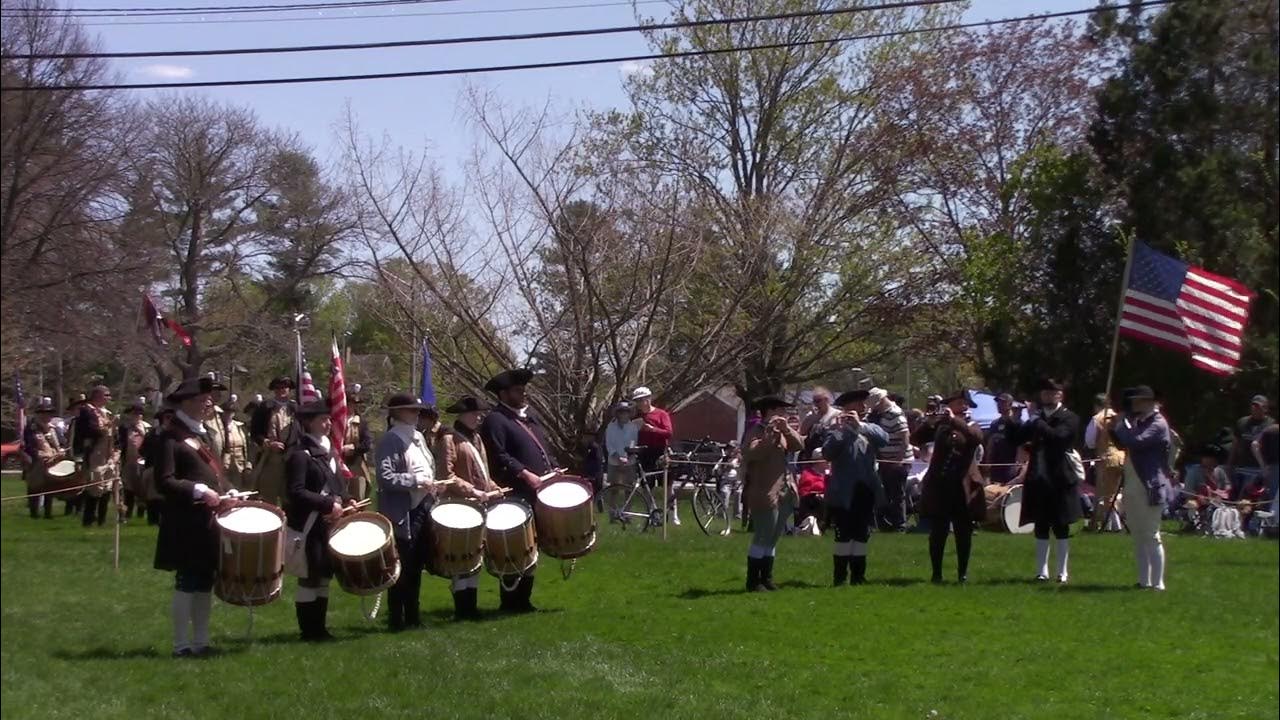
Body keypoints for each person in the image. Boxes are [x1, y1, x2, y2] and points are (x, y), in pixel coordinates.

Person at [152, 377, 233, 657]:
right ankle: (180, 644)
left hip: (206, 521)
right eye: (201, 399)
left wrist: (227, 490)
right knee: (187, 581)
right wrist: (198, 491)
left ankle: (200, 641)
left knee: (204, 582)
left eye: (209, 399)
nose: (207, 403)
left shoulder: (202, 434)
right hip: (185, 520)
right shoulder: (169, 436)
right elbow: (164, 481)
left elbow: (212, 473)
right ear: (185, 403)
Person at [480, 368, 553, 612]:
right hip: (513, 493)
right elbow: (499, 455)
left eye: (523, 390)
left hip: (534, 492)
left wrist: (551, 469)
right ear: (503, 393)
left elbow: (542, 448)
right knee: (513, 547)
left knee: (531, 545)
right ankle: (510, 601)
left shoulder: (527, 418)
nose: (523, 394)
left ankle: (524, 600)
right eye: (517, 390)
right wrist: (525, 473)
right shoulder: (495, 420)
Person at [285, 399, 354, 642]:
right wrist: (326, 504)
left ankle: (320, 628)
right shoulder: (300, 455)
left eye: (328, 419)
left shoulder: (328, 451)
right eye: (322, 420)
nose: (328, 423)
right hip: (310, 523)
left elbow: (337, 483)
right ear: (308, 423)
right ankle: (308, 630)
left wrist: (347, 500)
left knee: (324, 574)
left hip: (328, 523)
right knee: (310, 577)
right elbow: (296, 491)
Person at [435, 396, 501, 620]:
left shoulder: (477, 439)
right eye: (474, 413)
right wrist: (473, 491)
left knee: (476, 555)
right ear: (462, 415)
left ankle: (471, 607)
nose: (479, 416)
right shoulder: (448, 439)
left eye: (480, 413)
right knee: (462, 557)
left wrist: (493, 487)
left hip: (478, 503)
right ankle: (462, 609)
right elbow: (447, 476)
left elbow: (483, 472)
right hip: (459, 505)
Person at [376, 393, 438, 631]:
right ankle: (396, 618)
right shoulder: (391, 439)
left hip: (422, 505)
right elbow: (386, 477)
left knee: (416, 563)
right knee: (402, 565)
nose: (416, 414)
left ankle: (413, 615)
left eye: (416, 410)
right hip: (404, 510)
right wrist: (415, 480)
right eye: (411, 410)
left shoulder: (418, 437)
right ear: (398, 413)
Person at [1009, 378, 1081, 583]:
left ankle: (1062, 571)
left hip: (1060, 478)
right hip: (1038, 478)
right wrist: (1015, 420)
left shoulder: (1069, 417)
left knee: (1061, 527)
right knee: (1040, 526)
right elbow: (1016, 439)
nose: (1047, 396)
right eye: (1044, 393)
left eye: (1052, 393)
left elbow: (1059, 439)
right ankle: (1042, 571)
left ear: (1060, 395)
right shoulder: (1036, 418)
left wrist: (1038, 422)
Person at [822, 391, 888, 585]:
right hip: (844, 491)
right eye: (859, 404)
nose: (864, 407)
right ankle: (840, 576)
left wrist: (861, 426)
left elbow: (884, 438)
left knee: (861, 533)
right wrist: (843, 430)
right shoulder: (836, 430)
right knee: (844, 533)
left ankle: (858, 576)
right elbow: (827, 453)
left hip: (866, 488)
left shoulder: (869, 427)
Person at [1110, 386, 1172, 590]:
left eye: (1139, 401)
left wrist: (1121, 424)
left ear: (1151, 402)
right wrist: (1114, 427)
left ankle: (1158, 582)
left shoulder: (1158, 423)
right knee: (1137, 533)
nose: (1135, 405)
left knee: (1151, 533)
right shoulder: (1138, 422)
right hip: (1133, 481)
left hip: (1150, 484)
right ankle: (1144, 580)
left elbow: (1136, 441)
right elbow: (1122, 443)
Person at [919, 391, 985, 584]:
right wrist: (929, 423)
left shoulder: (971, 425)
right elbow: (917, 439)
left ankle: (962, 573)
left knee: (963, 532)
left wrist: (954, 421)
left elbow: (975, 438)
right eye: (958, 403)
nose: (961, 406)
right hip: (941, 485)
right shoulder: (941, 426)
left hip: (962, 487)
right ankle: (936, 573)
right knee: (938, 533)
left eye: (963, 404)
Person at [741, 396, 804, 591]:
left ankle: (767, 577)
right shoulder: (756, 431)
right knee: (763, 534)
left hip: (784, 489)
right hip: (764, 490)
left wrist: (786, 429)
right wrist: (768, 438)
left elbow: (798, 445)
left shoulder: (783, 431)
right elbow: (751, 453)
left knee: (774, 535)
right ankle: (753, 580)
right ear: (770, 411)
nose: (784, 414)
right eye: (781, 410)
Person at [866, 387, 912, 532]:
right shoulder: (879, 414)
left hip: (898, 461)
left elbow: (905, 439)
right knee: (885, 492)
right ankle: (887, 523)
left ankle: (900, 525)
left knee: (897, 494)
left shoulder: (895, 414)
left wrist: (898, 461)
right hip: (885, 460)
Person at [249, 377, 297, 508]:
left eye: (285, 387)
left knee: (290, 497)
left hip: (291, 457)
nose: (282, 390)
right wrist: (268, 443)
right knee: (268, 496)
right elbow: (255, 432)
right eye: (278, 387)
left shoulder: (296, 408)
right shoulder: (264, 407)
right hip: (270, 458)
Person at [75, 385, 119, 527]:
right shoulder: (87, 411)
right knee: (95, 486)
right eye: (106, 395)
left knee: (107, 485)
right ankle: (88, 519)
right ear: (97, 396)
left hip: (108, 452)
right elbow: (90, 430)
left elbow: (115, 436)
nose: (108, 398)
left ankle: (102, 519)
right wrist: (108, 425)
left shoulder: (107, 413)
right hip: (94, 452)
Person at [632, 386, 677, 523]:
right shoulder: (637, 417)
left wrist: (652, 429)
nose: (639, 403)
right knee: (647, 485)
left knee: (667, 485)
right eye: (637, 401)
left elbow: (668, 432)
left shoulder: (661, 414)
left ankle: (673, 514)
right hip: (645, 453)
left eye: (641, 400)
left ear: (648, 399)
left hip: (660, 451)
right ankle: (653, 513)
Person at [1084, 394, 1126, 532]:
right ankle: (1110, 524)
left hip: (1106, 459)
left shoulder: (1097, 419)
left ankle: (1115, 526)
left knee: (1106, 494)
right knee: (1115, 493)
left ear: (1096, 405)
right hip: (1123, 457)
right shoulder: (1119, 417)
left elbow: (1089, 442)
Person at [24, 398, 64, 519]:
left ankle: (48, 512)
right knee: (35, 487)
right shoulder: (32, 428)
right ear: (39, 414)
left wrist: (60, 451)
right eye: (45, 413)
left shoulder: (52, 428)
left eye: (50, 413)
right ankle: (34, 513)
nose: (48, 416)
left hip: (52, 460)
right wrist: (38, 456)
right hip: (37, 461)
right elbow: (29, 446)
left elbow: (60, 442)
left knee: (50, 487)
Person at [1229, 396, 1274, 500]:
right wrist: (1229, 464)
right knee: (1237, 496)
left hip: (1258, 469)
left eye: (1258, 407)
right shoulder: (1242, 422)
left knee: (1251, 498)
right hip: (1242, 466)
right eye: (1253, 406)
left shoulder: (1270, 424)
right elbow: (1235, 444)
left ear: (1265, 408)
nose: (1255, 409)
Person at [140, 406, 174, 526]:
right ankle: (152, 520)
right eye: (167, 417)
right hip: (153, 467)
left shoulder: (175, 434)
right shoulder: (153, 434)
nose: (170, 420)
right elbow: (143, 450)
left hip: (169, 469)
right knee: (152, 496)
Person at [118, 402, 151, 520]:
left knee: (143, 488)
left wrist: (141, 431)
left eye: (138, 414)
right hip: (129, 462)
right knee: (128, 489)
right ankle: (127, 514)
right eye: (133, 414)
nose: (136, 416)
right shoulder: (125, 428)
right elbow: (121, 444)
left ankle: (141, 514)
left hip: (144, 462)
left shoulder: (147, 427)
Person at [341, 384, 373, 501]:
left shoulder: (361, 422)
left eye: (354, 403)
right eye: (349, 402)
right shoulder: (336, 421)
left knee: (358, 495)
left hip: (356, 464)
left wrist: (354, 448)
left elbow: (367, 443)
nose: (351, 406)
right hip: (338, 463)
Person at [985, 394, 1021, 485]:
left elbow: (1021, 446)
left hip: (1010, 466)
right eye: (998, 402)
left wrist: (1017, 465)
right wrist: (988, 465)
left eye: (1003, 402)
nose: (999, 405)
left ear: (1010, 404)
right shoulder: (995, 424)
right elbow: (990, 445)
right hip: (996, 466)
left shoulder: (1017, 423)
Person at [604, 402, 641, 489]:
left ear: (629, 413)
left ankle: (627, 503)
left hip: (629, 461)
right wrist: (619, 458)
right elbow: (609, 444)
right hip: (613, 461)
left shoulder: (633, 427)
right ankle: (612, 503)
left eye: (626, 412)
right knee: (613, 489)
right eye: (621, 412)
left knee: (629, 488)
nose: (624, 414)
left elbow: (633, 443)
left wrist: (626, 459)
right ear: (617, 413)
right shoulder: (610, 427)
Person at [220, 400, 252, 491]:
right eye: (227, 411)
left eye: (232, 411)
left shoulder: (240, 426)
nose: (229, 413)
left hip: (240, 461)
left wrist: (248, 464)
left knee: (240, 486)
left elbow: (247, 445)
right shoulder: (219, 426)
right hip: (225, 461)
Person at [799, 387, 840, 459]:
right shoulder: (811, 415)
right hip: (812, 452)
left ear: (827, 400)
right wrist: (813, 419)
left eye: (818, 401)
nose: (816, 404)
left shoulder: (836, 414)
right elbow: (802, 432)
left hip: (827, 450)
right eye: (814, 401)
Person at [796, 448, 828, 532]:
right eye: (825, 458)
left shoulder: (830, 473)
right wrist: (818, 494)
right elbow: (803, 492)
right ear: (817, 461)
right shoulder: (807, 474)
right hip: (812, 501)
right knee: (818, 499)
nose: (828, 461)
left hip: (830, 498)